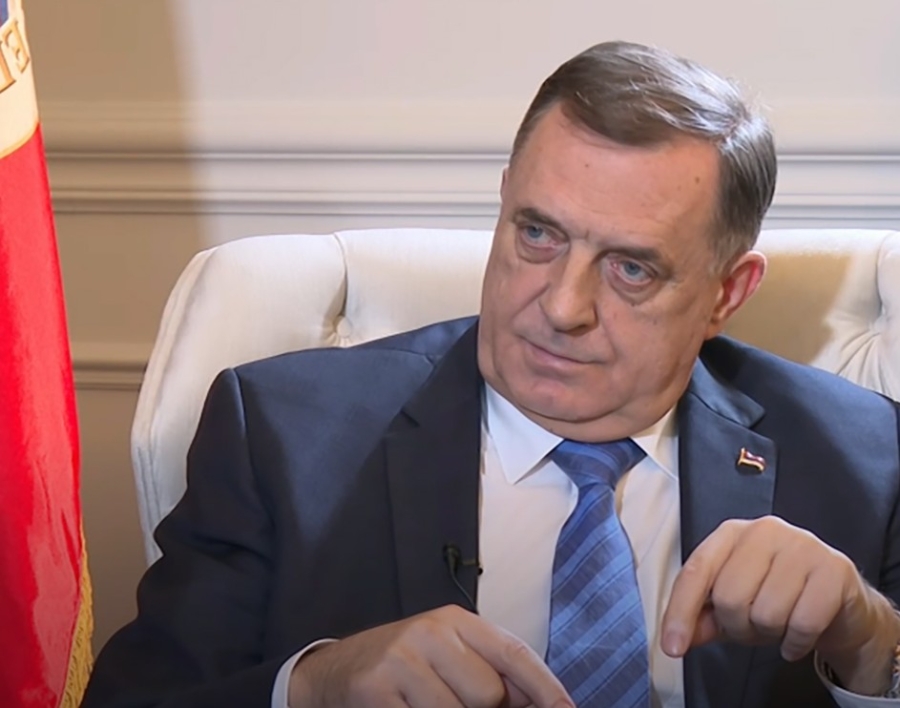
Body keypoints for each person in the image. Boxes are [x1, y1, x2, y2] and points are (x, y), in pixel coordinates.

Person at [82, 41, 900, 708]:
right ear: (505, 202)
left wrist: (872, 645)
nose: (562, 307)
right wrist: (313, 687)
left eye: (632, 270)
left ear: (727, 293)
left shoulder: (863, 457)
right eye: (538, 234)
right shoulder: (283, 434)